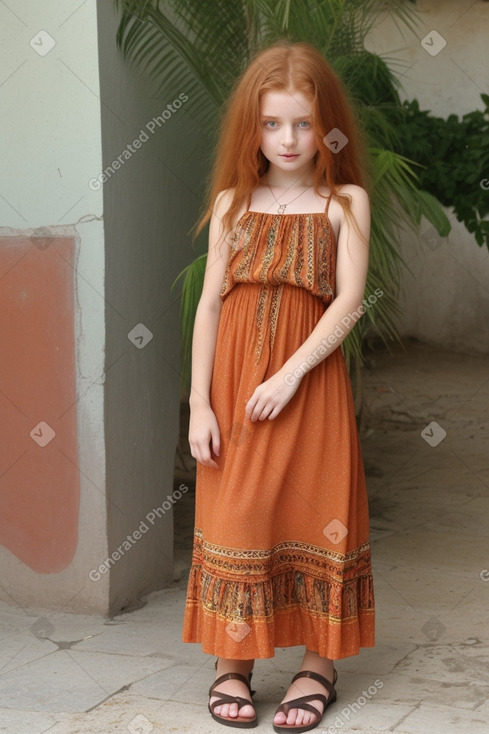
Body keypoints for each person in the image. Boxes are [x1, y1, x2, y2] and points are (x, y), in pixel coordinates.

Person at [182, 40, 375, 732]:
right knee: (237, 516)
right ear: (250, 127)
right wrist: (200, 403)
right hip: (234, 388)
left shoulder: (342, 201)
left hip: (307, 382)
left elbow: (348, 301)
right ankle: (231, 663)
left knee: (317, 510)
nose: (287, 139)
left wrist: (291, 373)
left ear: (324, 124)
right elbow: (208, 304)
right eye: (271, 124)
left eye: (301, 123)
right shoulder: (234, 202)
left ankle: (318, 662)